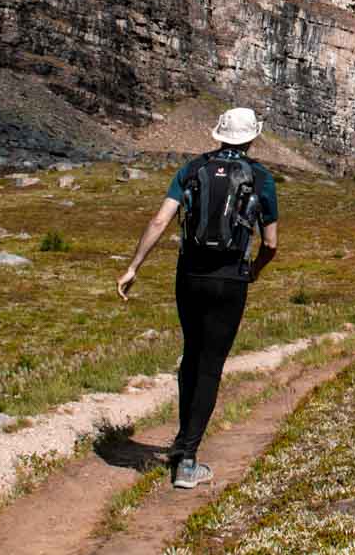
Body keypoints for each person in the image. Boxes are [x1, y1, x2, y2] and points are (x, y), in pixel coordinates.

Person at [116, 107, 278, 490]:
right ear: (252, 138)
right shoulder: (261, 177)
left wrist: (133, 267)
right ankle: (187, 459)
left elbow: (160, 220)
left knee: (191, 354)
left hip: (188, 275)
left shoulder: (191, 170)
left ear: (219, 134)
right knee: (211, 364)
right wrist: (255, 270)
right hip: (230, 279)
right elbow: (271, 243)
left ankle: (180, 441)